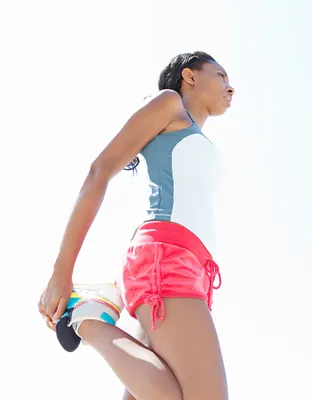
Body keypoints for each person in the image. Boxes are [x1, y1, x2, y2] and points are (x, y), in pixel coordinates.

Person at [38, 51, 235, 400]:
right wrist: (61, 271)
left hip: (193, 270)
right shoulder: (169, 104)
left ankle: (91, 318)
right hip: (165, 260)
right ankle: (88, 320)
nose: (230, 87)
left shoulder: (195, 138)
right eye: (220, 76)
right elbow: (99, 171)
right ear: (189, 76)